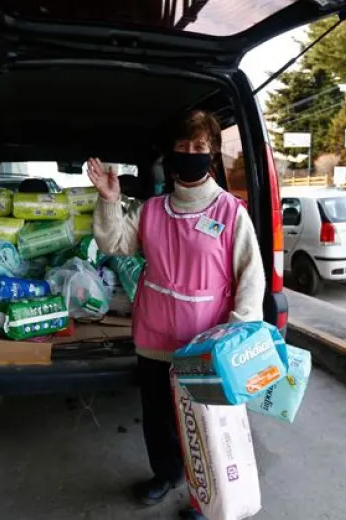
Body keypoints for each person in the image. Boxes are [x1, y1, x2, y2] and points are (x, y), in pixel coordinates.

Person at [88, 110, 265, 520]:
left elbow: (250, 277)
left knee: (208, 426)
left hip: (205, 346)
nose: (190, 154)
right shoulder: (152, 210)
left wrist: (237, 336)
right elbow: (115, 243)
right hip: (154, 338)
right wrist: (110, 199)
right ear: (171, 155)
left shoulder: (230, 212)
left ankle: (209, 497)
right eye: (182, 147)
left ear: (213, 154)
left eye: (199, 147)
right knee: (160, 418)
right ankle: (166, 474)